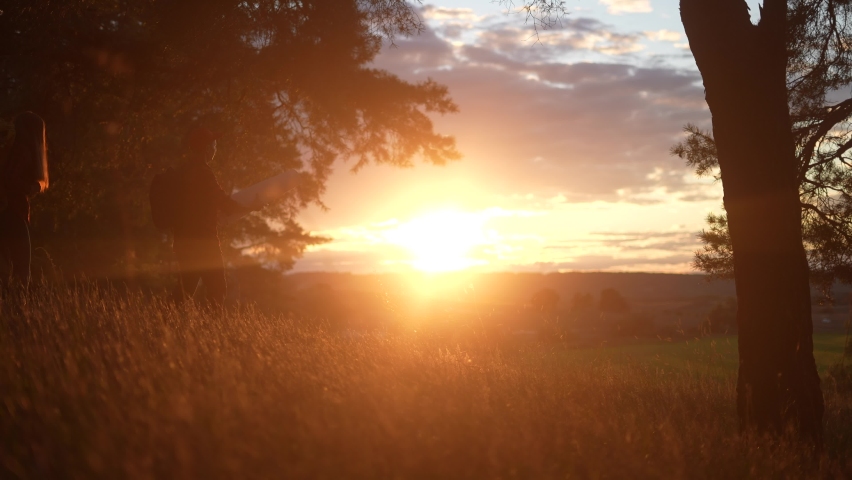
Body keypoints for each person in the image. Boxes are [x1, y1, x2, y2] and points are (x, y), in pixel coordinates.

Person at [171, 126, 246, 307]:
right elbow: (223, 202)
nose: (215, 148)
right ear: (206, 149)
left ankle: (164, 324)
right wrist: (253, 205)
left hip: (183, 240)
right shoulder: (203, 173)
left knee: (185, 288)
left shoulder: (183, 171)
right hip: (204, 242)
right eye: (213, 144)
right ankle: (213, 331)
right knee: (217, 288)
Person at [0, 112, 49, 288]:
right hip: (12, 213)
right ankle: (20, 308)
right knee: (22, 270)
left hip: (8, 212)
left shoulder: (11, 149)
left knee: (7, 269)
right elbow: (10, 179)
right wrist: (32, 187)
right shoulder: (23, 151)